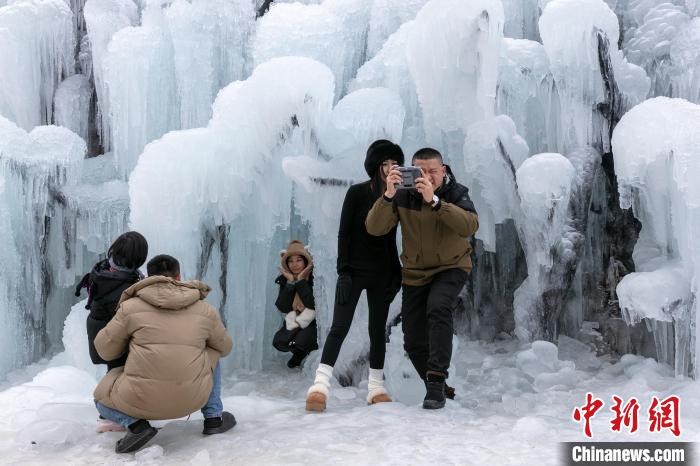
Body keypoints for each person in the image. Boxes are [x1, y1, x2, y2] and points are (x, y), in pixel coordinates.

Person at [366, 147, 479, 410]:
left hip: (451, 267)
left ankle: (437, 384)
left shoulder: (455, 193)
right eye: (420, 171)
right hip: (415, 273)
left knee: (438, 307)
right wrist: (388, 195)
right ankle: (435, 384)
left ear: (443, 171)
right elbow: (374, 227)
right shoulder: (403, 196)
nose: (426, 176)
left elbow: (469, 226)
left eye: (432, 171)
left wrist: (436, 202)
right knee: (413, 340)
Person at [93, 254, 235, 453]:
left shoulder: (130, 308)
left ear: (147, 278)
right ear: (178, 277)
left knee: (100, 399)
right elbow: (226, 348)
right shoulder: (205, 310)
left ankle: (136, 426)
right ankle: (213, 418)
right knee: (213, 348)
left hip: (139, 401)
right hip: (192, 399)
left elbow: (105, 351)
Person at [305, 140, 403, 412]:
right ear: (376, 166)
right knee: (340, 326)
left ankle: (376, 387)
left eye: (394, 164)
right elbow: (344, 233)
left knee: (378, 329)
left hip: (383, 271)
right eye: (385, 164)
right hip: (355, 271)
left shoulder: (401, 196)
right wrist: (343, 271)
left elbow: (392, 239)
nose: (389, 169)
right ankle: (320, 386)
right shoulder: (357, 193)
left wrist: (396, 272)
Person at [74, 231, 148, 433]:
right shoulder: (125, 285)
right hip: (112, 334)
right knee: (119, 368)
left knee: (114, 368)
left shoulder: (102, 271)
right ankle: (117, 413)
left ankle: (113, 408)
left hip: (100, 330)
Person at [272, 240, 317, 368]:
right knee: (279, 341)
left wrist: (301, 281)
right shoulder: (286, 279)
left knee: (301, 341)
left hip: (315, 323)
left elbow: (313, 305)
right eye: (290, 261)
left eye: (298, 260)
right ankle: (299, 352)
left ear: (306, 261)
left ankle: (306, 351)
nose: (294, 265)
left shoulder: (315, 277)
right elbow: (283, 307)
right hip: (296, 319)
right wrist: (291, 283)